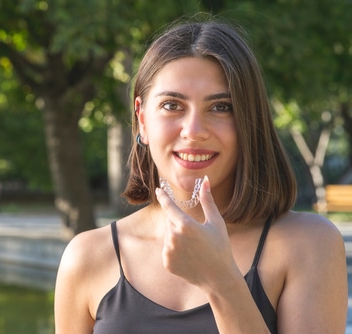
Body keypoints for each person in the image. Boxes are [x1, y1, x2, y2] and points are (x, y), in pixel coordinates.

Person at [54, 19, 348, 333]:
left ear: (249, 121)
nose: (194, 132)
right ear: (142, 120)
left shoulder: (308, 244)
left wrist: (221, 280)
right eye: (172, 105)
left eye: (221, 107)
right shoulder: (87, 257)